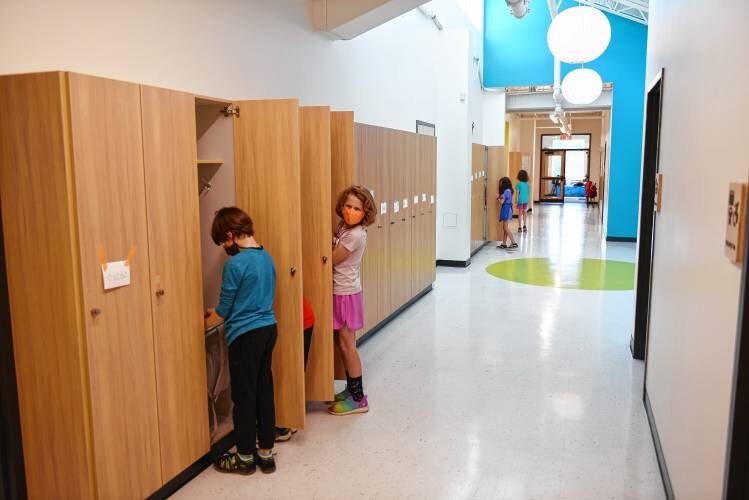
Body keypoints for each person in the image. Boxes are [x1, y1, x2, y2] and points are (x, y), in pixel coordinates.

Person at [206, 207, 278, 475]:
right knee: (263, 391)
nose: (224, 248)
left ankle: (245, 457)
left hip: (245, 337)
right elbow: (251, 298)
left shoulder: (234, 264)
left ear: (230, 235)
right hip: (268, 329)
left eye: (223, 242)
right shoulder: (266, 257)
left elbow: (224, 311)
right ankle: (266, 454)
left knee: (244, 396)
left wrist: (200, 325)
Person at [328, 185, 377, 416]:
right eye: (348, 206)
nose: (350, 211)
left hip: (346, 293)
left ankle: (358, 399)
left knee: (348, 346)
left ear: (365, 212)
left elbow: (333, 260)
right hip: (342, 291)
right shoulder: (344, 228)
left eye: (356, 208)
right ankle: (351, 389)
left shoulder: (355, 234)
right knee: (344, 344)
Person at [275, 298, 315, 442]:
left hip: (295, 320)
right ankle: (292, 419)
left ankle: (285, 424)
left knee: (286, 372)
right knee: (294, 372)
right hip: (302, 317)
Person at [497, 177, 518, 249]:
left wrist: (497, 198)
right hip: (508, 209)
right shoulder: (509, 191)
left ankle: (514, 242)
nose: (500, 185)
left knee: (505, 228)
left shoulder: (506, 192)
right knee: (505, 228)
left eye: (501, 183)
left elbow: (502, 202)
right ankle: (504, 243)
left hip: (506, 209)